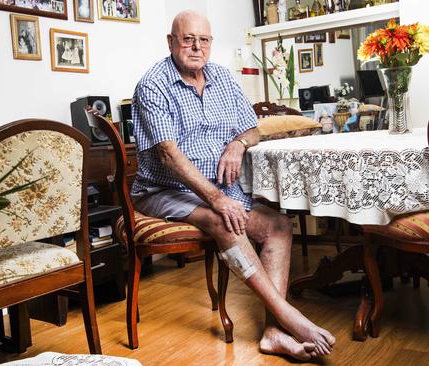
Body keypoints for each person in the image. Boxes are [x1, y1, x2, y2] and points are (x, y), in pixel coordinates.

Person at [131, 10, 336, 361]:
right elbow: (168, 156)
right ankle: (289, 316)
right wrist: (216, 198)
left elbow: (252, 128)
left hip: (221, 188)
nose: (197, 47)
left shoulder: (223, 78)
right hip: (163, 191)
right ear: (171, 42)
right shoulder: (152, 85)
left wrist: (237, 144)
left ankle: (273, 332)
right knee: (221, 217)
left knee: (278, 225)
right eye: (188, 39)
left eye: (204, 40)